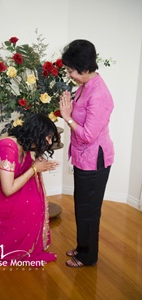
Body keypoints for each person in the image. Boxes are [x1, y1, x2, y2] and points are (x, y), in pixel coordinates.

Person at [0, 113, 60, 266]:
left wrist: (36, 165)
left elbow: (20, 171)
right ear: (36, 134)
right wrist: (34, 169)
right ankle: (4, 249)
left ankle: (17, 245)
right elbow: (8, 189)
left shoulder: (25, 145)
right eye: (47, 137)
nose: (49, 142)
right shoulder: (8, 147)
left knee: (32, 198)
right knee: (24, 203)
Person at [59, 39, 114, 267]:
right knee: (82, 207)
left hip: (95, 159)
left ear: (84, 67)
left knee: (89, 211)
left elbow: (88, 135)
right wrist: (68, 111)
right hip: (84, 157)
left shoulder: (98, 94)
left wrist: (67, 117)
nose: (69, 74)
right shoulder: (84, 86)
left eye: (71, 70)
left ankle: (88, 256)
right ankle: (83, 247)